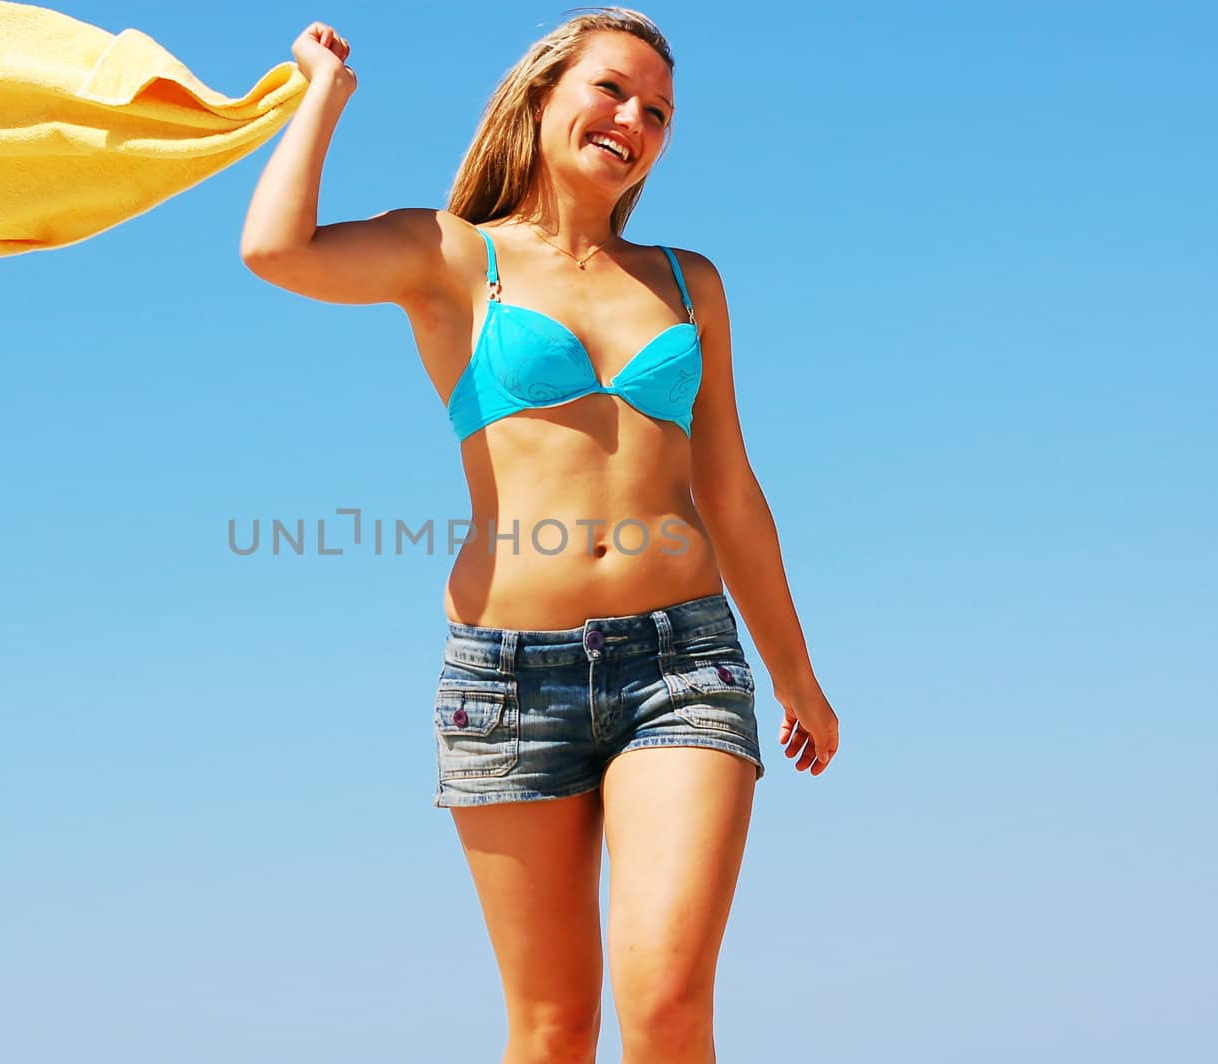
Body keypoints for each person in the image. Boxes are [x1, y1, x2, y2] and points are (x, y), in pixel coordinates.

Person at [241, 9, 839, 1062]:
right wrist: (318, 99)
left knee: (664, 1007)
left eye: (656, 111)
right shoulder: (449, 255)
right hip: (507, 678)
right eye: (613, 90)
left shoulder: (687, 281)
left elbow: (732, 490)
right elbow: (274, 250)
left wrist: (796, 673)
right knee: (553, 1027)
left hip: (682, 663)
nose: (633, 119)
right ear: (541, 93)